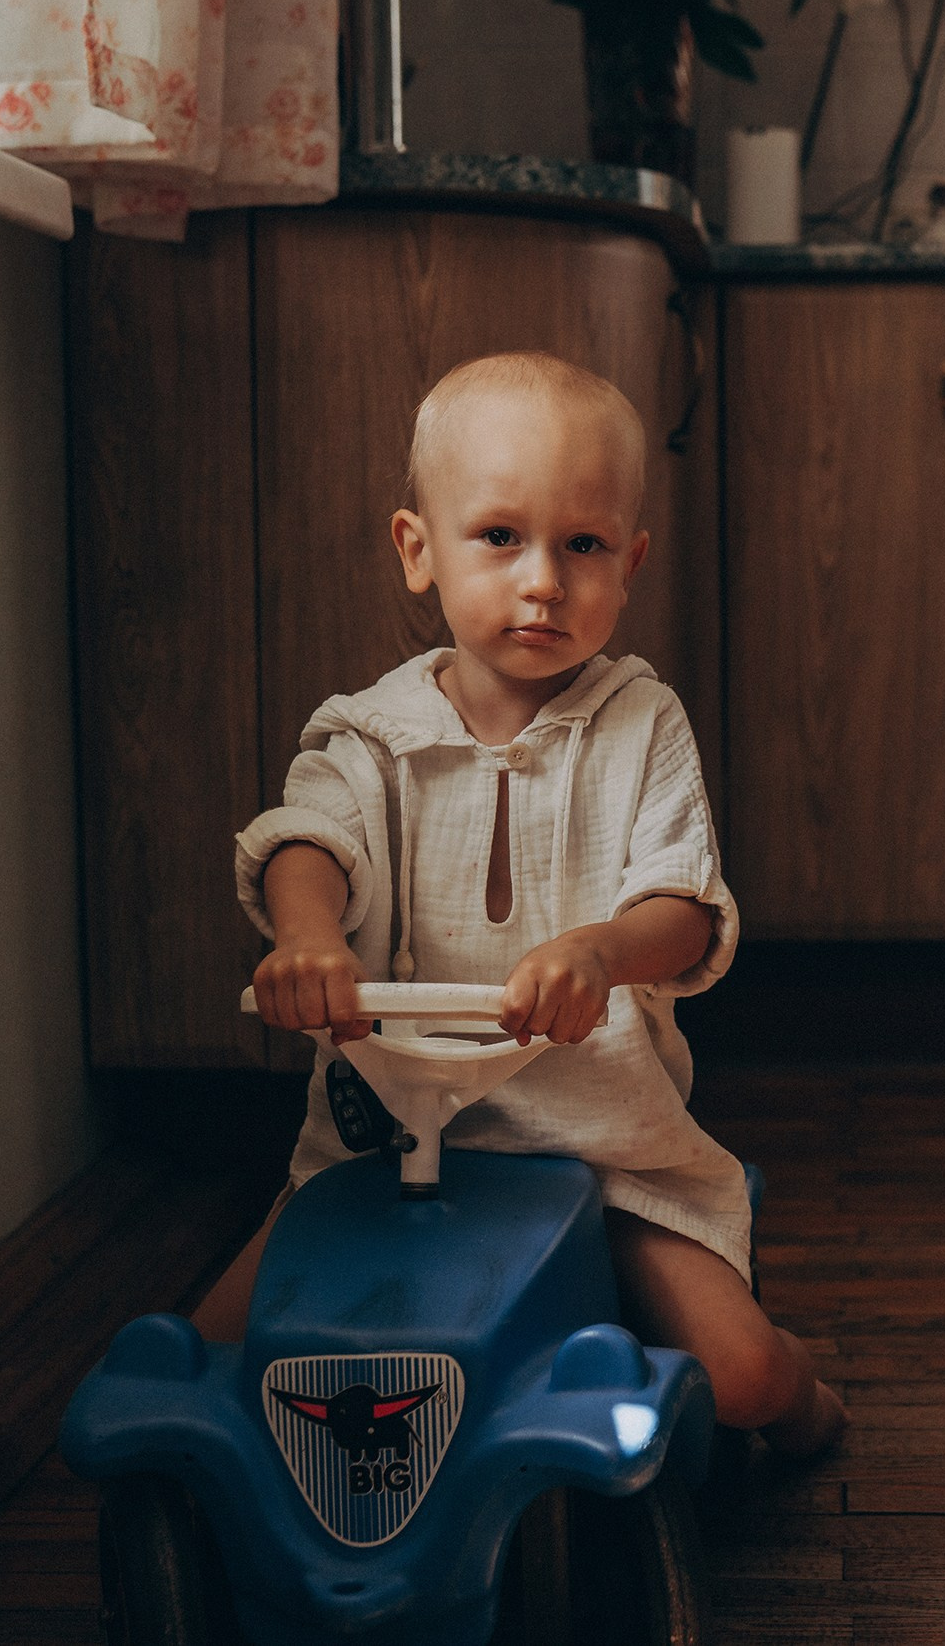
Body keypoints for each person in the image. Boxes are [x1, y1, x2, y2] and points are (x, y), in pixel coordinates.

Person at [191, 351, 845, 1459]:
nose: (543, 580)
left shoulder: (639, 722)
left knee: (740, 1374)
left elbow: (684, 906)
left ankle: (807, 1398)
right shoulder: (368, 732)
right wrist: (306, 939)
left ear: (630, 563)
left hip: (600, 1150)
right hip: (378, 1155)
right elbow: (309, 838)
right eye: (500, 535)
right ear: (418, 549)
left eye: (582, 544)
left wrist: (601, 950)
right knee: (202, 1358)